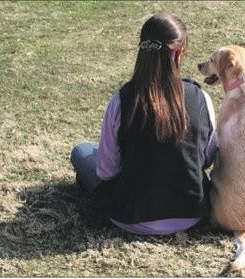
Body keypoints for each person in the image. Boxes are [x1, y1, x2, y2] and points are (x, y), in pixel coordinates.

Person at [70, 12, 217, 235]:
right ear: (179, 53)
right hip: (190, 213)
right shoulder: (200, 98)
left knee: (82, 151)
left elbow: (107, 171)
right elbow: (206, 158)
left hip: (130, 215)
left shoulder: (123, 99)